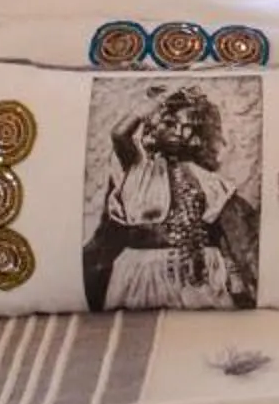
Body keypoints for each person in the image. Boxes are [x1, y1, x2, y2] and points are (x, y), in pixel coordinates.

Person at [83, 84, 260, 309]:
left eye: (187, 127)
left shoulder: (210, 182)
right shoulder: (136, 168)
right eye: (169, 124)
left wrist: (234, 273)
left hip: (197, 274)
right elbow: (119, 134)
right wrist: (149, 108)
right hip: (141, 273)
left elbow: (228, 232)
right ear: (152, 128)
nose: (178, 131)